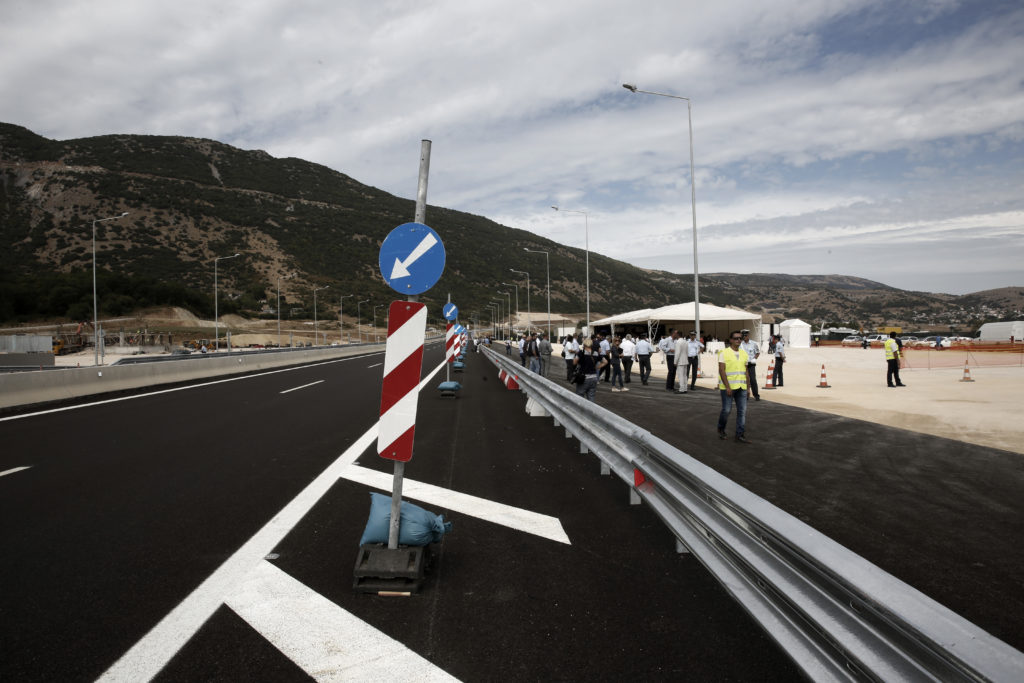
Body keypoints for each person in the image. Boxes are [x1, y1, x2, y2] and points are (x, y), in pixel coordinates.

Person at [717, 330, 751, 443]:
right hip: (729, 387)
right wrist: (727, 387)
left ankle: (740, 434)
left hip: (742, 387)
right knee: (726, 410)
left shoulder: (744, 353)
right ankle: (721, 428)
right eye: (736, 338)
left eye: (740, 338)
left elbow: (746, 372)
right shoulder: (724, 352)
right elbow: (722, 370)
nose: (738, 340)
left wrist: (748, 388)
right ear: (731, 340)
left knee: (742, 411)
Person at [740, 329, 761, 401]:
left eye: (746, 335)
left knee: (752, 380)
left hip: (751, 364)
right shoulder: (740, 344)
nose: (744, 337)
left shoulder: (753, 343)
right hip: (743, 364)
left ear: (748, 335)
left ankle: (756, 395)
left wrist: (755, 358)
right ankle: (745, 395)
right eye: (743, 336)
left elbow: (757, 352)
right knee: (744, 380)